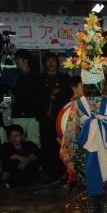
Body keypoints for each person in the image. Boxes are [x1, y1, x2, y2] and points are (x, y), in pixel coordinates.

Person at [60, 13, 107, 213]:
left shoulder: (76, 105)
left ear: (83, 82)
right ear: (102, 82)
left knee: (88, 190)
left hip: (84, 156)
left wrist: (68, 158)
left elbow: (69, 135)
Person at [38, 52, 72, 181]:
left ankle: (64, 172)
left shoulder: (64, 77)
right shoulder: (39, 79)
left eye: (53, 61)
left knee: (62, 144)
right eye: (48, 61)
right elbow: (37, 97)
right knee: (47, 145)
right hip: (46, 118)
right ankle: (49, 173)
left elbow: (68, 94)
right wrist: (49, 95)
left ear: (57, 63)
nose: (51, 63)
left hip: (61, 117)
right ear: (44, 63)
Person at [0, 49, 41, 147]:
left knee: (34, 143)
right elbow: (4, 94)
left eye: (17, 59)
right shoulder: (11, 75)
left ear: (25, 60)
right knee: (16, 144)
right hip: (16, 116)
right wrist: (6, 118)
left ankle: (33, 162)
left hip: (33, 117)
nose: (15, 62)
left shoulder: (36, 76)